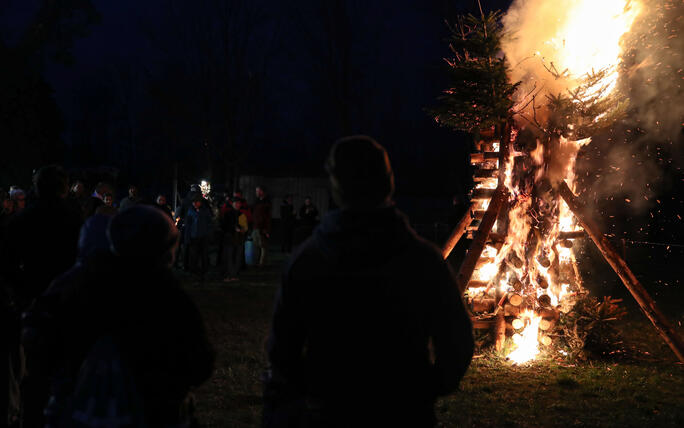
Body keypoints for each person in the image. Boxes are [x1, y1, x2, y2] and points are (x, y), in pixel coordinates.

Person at [263, 136, 474, 428]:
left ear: (336, 187)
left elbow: (281, 352)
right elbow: (457, 344)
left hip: (329, 414)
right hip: (404, 414)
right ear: (389, 183)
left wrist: (315, 390)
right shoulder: (422, 261)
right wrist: (423, 389)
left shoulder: (307, 262)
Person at [25, 205, 214, 427]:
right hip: (153, 414)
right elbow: (199, 364)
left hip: (78, 414)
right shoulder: (167, 298)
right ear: (163, 248)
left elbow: (38, 344)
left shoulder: (80, 285)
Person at [0, 165, 83, 428]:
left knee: (34, 373)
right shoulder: (75, 219)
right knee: (65, 370)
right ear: (63, 189)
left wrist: (21, 290)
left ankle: (34, 418)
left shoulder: (22, 221)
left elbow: (6, 265)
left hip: (33, 301)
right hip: (66, 304)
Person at [184, 194, 212, 280]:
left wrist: (209, 234)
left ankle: (204, 271)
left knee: (204, 255)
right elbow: (188, 225)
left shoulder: (205, 211)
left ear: (200, 202)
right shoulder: (190, 211)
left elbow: (209, 223)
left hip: (204, 236)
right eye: (194, 202)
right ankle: (194, 271)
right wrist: (187, 237)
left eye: (197, 202)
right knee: (193, 255)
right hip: (194, 236)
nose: (195, 203)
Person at [221, 198, 248, 282]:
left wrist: (243, 230)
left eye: (239, 203)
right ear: (232, 204)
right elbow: (224, 226)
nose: (237, 205)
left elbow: (245, 227)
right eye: (235, 203)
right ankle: (228, 274)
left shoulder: (241, 215)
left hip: (239, 239)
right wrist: (233, 229)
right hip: (229, 239)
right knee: (229, 257)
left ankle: (234, 274)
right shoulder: (228, 214)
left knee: (237, 257)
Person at [252, 186, 272, 267]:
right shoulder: (256, 202)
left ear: (262, 192)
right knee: (256, 245)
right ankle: (257, 261)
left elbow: (267, 217)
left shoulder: (266, 202)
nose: (256, 192)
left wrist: (266, 229)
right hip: (255, 226)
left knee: (263, 246)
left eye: (258, 191)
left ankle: (261, 263)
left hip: (262, 227)